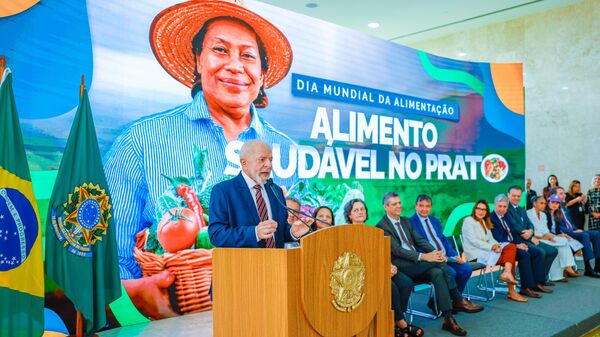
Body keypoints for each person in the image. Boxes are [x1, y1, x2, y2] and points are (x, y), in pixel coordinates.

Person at [104, 1, 297, 319]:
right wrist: (134, 300)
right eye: (220, 50)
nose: (235, 66)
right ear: (197, 60)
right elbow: (111, 256)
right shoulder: (141, 141)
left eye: (248, 55)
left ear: (262, 74)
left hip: (274, 310)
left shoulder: (286, 150)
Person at [376, 192, 483, 337]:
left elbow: (420, 241)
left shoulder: (406, 221)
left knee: (437, 272)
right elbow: (398, 251)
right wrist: (425, 256)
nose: (398, 206)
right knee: (438, 265)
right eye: (394, 204)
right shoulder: (381, 226)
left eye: (399, 203)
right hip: (401, 266)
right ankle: (457, 299)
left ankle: (448, 318)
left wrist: (435, 252)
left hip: (417, 264)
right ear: (385, 207)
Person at [342, 198, 423, 337]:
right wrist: (380, 271)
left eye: (362, 209)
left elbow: (382, 253)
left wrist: (390, 266)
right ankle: (401, 323)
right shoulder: (345, 234)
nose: (360, 212)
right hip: (363, 273)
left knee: (406, 283)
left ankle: (392, 321)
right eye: (356, 210)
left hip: (382, 267)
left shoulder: (374, 231)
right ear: (349, 215)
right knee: (390, 287)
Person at [208, 140, 310, 248]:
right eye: (262, 159)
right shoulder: (223, 191)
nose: (269, 165)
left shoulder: (275, 190)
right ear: (244, 163)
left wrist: (292, 233)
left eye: (270, 160)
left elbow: (279, 232)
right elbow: (217, 235)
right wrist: (255, 233)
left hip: (277, 262)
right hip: (243, 263)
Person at [461, 200, 526, 302]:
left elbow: (491, 239)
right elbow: (473, 241)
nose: (481, 212)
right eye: (479, 209)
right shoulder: (468, 221)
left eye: (484, 209)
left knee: (511, 247)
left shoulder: (484, 221)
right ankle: (511, 290)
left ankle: (507, 273)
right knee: (510, 257)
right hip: (476, 254)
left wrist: (496, 245)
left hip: (487, 251)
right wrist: (492, 247)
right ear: (474, 209)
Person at [409, 195, 473, 295]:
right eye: (421, 206)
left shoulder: (435, 220)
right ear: (415, 206)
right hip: (432, 260)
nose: (424, 209)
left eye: (427, 206)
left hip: (447, 257)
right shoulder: (410, 223)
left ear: (431, 207)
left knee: (466, 268)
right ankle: (443, 304)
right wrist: (435, 256)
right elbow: (415, 246)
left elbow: (443, 239)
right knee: (451, 273)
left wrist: (453, 255)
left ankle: (455, 300)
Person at [489, 194, 550, 298]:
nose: (502, 209)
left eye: (505, 206)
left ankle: (537, 283)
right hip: (503, 248)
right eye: (500, 206)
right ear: (495, 205)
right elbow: (498, 238)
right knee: (524, 255)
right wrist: (517, 246)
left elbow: (514, 231)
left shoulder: (507, 215)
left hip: (515, 243)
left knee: (536, 252)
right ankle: (526, 287)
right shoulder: (491, 218)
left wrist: (521, 243)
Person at [506, 185, 558, 287]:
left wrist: (530, 231)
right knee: (540, 252)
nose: (516, 198)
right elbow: (513, 225)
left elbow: (529, 224)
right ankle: (537, 282)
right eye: (514, 196)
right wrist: (528, 235)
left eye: (518, 196)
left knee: (553, 251)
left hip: (528, 238)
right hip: (518, 240)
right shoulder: (506, 208)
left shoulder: (521, 209)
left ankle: (541, 277)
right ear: (508, 195)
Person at [546, 193, 600, 278]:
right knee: (584, 235)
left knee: (596, 233)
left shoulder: (562, 210)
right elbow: (559, 228)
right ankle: (588, 267)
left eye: (557, 203)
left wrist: (576, 229)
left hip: (571, 231)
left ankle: (597, 265)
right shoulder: (548, 214)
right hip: (563, 233)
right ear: (548, 202)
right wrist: (573, 232)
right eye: (553, 202)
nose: (563, 195)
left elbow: (570, 223)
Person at [527, 196, 578, 281]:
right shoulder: (528, 213)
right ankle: (566, 269)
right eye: (541, 203)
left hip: (546, 237)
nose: (543, 205)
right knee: (559, 246)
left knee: (564, 241)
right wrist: (545, 237)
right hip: (536, 239)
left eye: (544, 203)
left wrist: (554, 236)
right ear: (534, 203)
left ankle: (560, 273)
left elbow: (546, 231)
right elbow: (530, 231)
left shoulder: (543, 215)